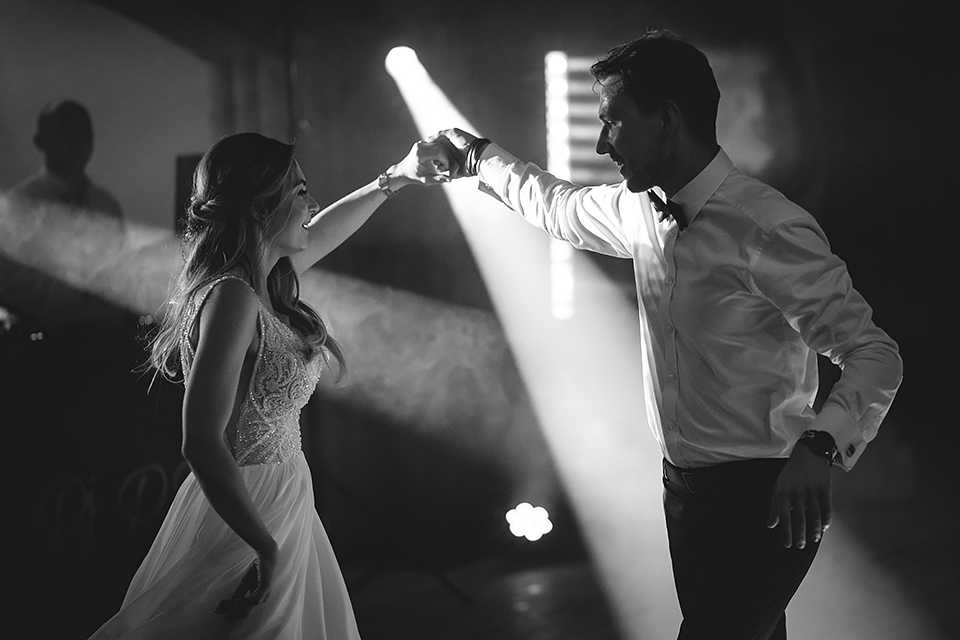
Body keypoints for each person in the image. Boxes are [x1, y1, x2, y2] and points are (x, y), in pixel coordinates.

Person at [432, 29, 903, 640]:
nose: (601, 142)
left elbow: (873, 354)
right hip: (684, 492)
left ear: (667, 119)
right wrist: (476, 156)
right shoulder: (639, 209)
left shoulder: (767, 227)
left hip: (764, 497)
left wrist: (820, 447)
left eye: (613, 121)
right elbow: (557, 204)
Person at [88, 131, 450, 639]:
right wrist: (262, 543)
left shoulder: (263, 282)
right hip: (251, 506)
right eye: (300, 191)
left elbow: (325, 231)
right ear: (260, 207)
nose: (313, 204)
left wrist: (399, 177)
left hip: (285, 497)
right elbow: (201, 441)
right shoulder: (233, 297)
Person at [1, 99, 126, 332]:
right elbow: (9, 281)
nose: (77, 140)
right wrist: (77, 299)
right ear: (40, 141)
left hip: (102, 336)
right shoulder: (18, 205)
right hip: (37, 340)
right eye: (66, 131)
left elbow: (121, 273)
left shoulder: (107, 206)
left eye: (84, 131)